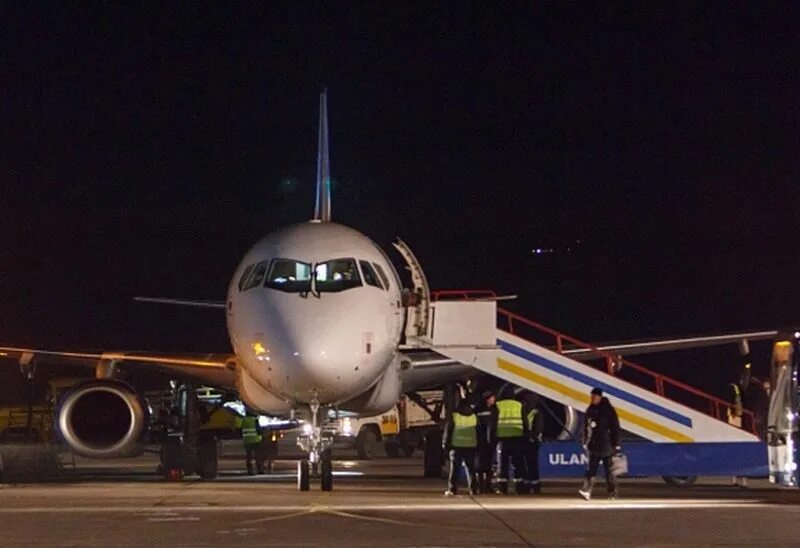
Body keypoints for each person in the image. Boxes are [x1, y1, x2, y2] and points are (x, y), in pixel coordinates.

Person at [579, 388, 621, 500]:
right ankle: (587, 491)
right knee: (591, 469)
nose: (592, 399)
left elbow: (615, 427)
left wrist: (616, 443)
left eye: (594, 397)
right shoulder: (590, 409)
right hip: (593, 444)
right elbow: (586, 426)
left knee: (609, 471)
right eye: (591, 396)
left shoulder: (608, 410)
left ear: (600, 397)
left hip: (606, 445)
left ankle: (612, 492)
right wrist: (584, 440)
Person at [494, 388, 527, 494]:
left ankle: (502, 488)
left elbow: (493, 422)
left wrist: (492, 438)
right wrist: (525, 436)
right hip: (517, 437)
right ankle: (520, 488)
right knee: (518, 463)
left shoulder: (498, 405)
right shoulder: (519, 405)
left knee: (503, 464)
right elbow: (525, 422)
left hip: (502, 438)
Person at [442, 399, 478, 496]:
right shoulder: (474, 417)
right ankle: (473, 489)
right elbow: (478, 432)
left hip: (456, 446)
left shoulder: (455, 417)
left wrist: (445, 444)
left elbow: (448, 431)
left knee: (455, 469)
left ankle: (452, 489)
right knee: (471, 469)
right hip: (470, 446)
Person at [475, 390, 498, 494]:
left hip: (489, 440)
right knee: (481, 465)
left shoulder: (493, 408)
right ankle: (482, 486)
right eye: (492, 398)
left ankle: (487, 486)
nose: (494, 399)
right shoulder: (486, 409)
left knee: (488, 465)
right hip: (482, 440)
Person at [523, 393, 544, 494]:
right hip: (526, 440)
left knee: (532, 464)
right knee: (527, 463)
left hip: (533, 441)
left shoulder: (536, 413)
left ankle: (535, 485)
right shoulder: (525, 412)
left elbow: (538, 428)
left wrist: (532, 437)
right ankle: (529, 484)